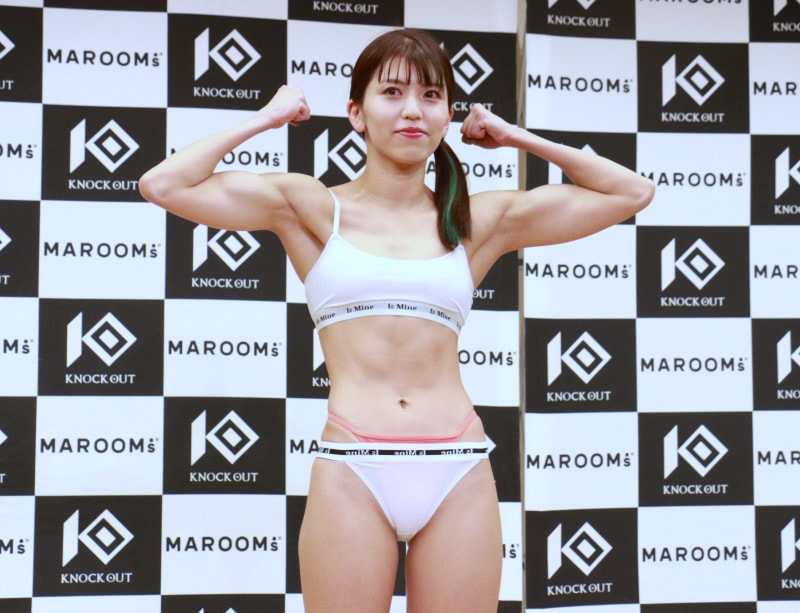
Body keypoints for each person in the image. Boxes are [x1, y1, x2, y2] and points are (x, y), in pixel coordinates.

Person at [140, 28, 654, 613]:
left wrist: (513, 136)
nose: (412, 110)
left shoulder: (474, 221)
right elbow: (162, 183)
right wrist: (268, 117)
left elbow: (630, 193)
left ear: (448, 115)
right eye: (391, 93)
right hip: (354, 468)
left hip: (457, 468)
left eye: (431, 96)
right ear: (356, 114)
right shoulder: (310, 207)